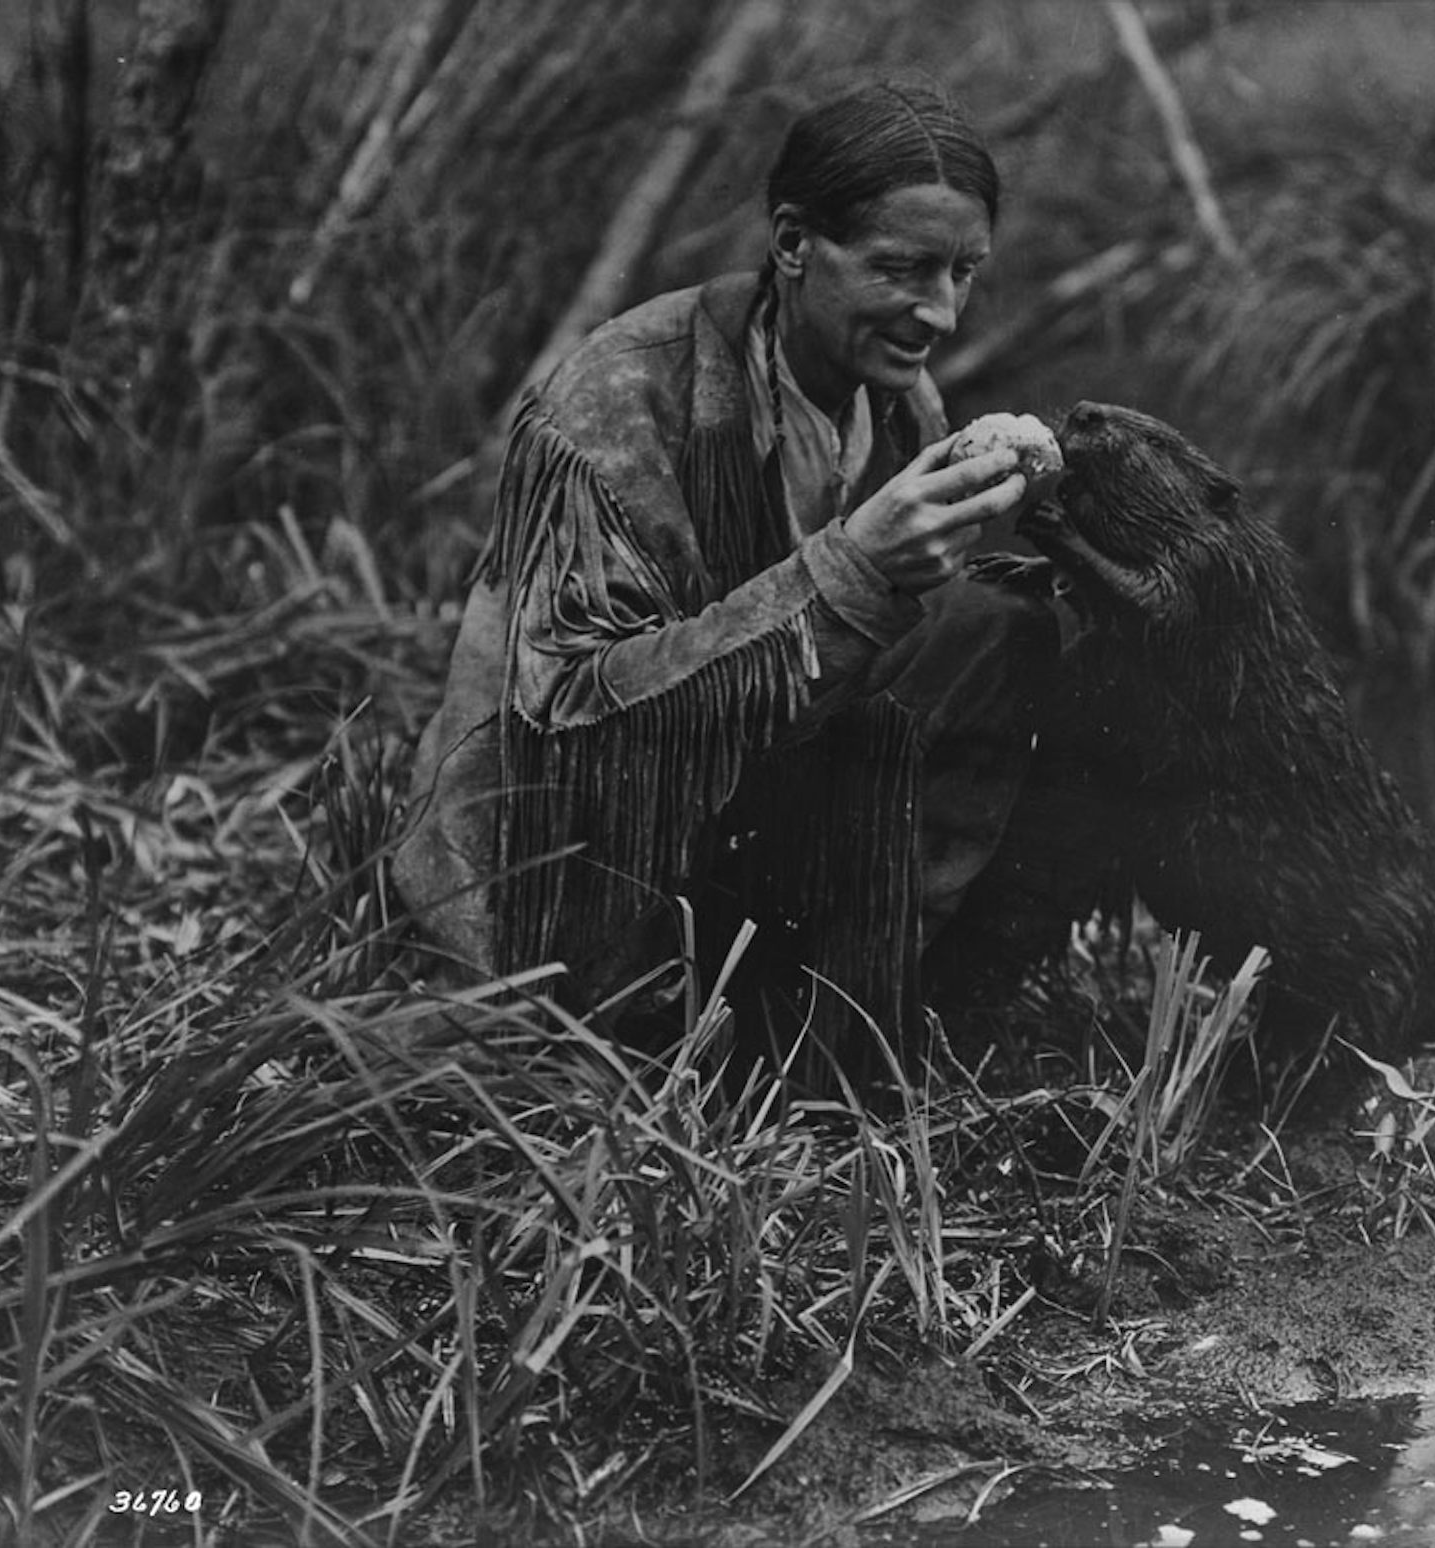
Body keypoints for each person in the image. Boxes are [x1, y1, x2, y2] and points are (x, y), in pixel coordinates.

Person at [395, 80, 1083, 1084]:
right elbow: (576, 718)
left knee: (1006, 628)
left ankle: (863, 1001)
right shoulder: (622, 397)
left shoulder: (895, 399)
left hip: (744, 809)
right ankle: (693, 1026)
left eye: (964, 271)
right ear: (795, 243)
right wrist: (852, 570)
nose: (940, 311)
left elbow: (902, 654)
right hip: (572, 875)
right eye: (901, 269)